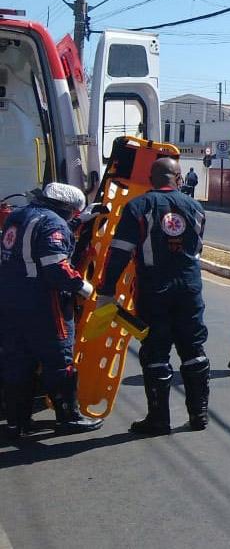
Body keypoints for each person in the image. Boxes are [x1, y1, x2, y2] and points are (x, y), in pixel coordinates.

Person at [97, 157, 210, 435]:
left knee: (156, 352)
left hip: (154, 290)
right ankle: (199, 416)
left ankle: (159, 420)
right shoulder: (195, 208)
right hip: (189, 289)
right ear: (179, 178)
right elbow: (197, 249)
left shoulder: (138, 207)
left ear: (151, 178)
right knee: (193, 350)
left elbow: (120, 252)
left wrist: (107, 290)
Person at [0, 183, 102, 437]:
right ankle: (69, 418)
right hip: (43, 304)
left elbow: (33, 245)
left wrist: (78, 224)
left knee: (18, 362)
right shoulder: (53, 223)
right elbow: (56, 267)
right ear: (66, 208)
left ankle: (16, 423)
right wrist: (84, 288)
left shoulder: (17, 215)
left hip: (10, 301)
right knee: (59, 361)